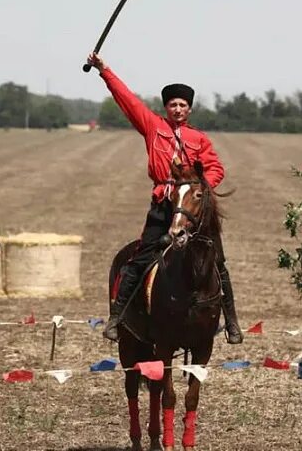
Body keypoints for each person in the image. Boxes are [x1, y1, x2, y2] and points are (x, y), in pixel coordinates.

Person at [86, 53, 243, 344]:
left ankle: (232, 321)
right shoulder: (152, 127)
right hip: (163, 203)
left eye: (183, 105)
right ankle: (117, 316)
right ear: (166, 107)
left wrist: (198, 189)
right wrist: (104, 70)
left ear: (190, 109)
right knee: (140, 258)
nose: (178, 109)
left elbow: (215, 168)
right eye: (173, 104)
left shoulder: (199, 139)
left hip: (192, 208)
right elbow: (127, 99)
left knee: (217, 262)